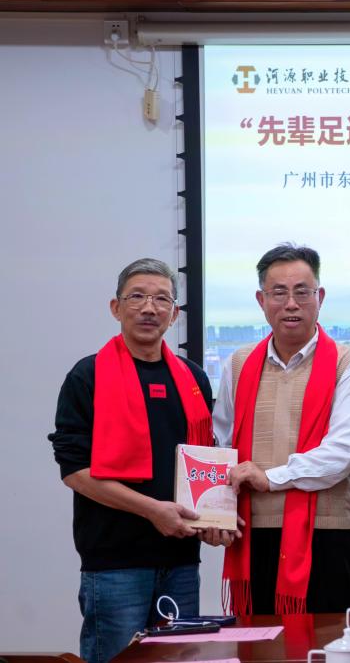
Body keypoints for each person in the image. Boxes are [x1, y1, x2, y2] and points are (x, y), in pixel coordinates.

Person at [49, 258, 215, 663]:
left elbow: (205, 462)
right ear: (116, 307)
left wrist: (214, 518)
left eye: (161, 299)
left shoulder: (194, 379)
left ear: (175, 314)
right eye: (137, 296)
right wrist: (152, 510)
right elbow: (74, 471)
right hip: (114, 564)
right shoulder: (87, 376)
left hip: (180, 561)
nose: (149, 308)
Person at [213, 244, 350, 615]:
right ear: (261, 300)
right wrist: (215, 512)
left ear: (320, 297)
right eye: (279, 293)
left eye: (302, 292)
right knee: (257, 641)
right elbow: (221, 447)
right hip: (253, 532)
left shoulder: (349, 367)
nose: (291, 304)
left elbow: (340, 456)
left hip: (326, 535)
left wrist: (269, 477)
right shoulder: (237, 365)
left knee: (327, 642)